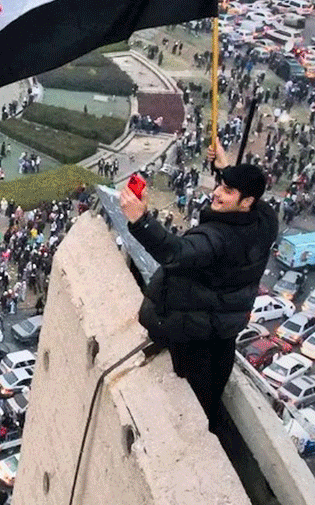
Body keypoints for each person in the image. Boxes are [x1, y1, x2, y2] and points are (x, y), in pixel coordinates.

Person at [119, 139, 277, 432]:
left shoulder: (217, 238)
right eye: (220, 186)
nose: (216, 193)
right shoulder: (266, 221)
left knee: (191, 412)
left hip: (192, 335)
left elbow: (175, 253)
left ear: (246, 203)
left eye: (227, 191)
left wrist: (140, 221)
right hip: (222, 333)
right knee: (210, 399)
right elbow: (255, 195)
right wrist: (228, 168)